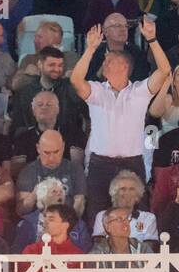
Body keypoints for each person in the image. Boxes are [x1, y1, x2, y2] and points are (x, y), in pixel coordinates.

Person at [71, 19, 171, 222]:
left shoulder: (139, 92)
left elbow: (164, 71)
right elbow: (75, 80)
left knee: (138, 216)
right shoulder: (97, 91)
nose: (104, 64)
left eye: (109, 61)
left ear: (125, 66)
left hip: (132, 163)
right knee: (96, 216)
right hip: (100, 164)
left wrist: (151, 39)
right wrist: (90, 49)